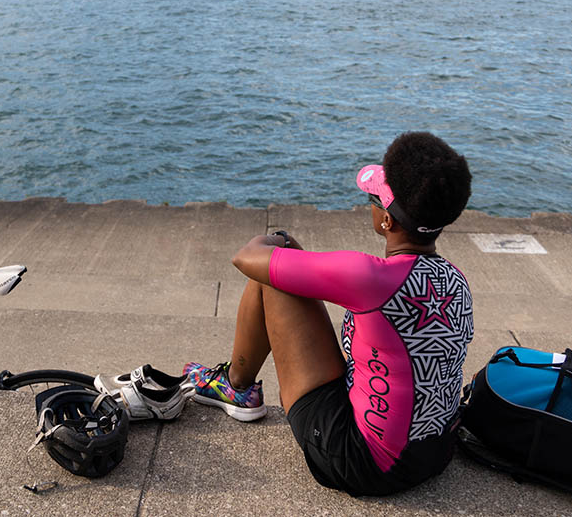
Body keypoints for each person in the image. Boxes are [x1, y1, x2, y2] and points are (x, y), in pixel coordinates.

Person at [185, 131, 473, 496]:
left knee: (271, 277)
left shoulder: (370, 276)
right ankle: (236, 385)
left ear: (387, 221)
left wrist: (278, 239)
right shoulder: (455, 278)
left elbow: (246, 258)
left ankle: (236, 387)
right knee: (288, 270)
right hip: (435, 452)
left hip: (366, 464)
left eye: (373, 199)